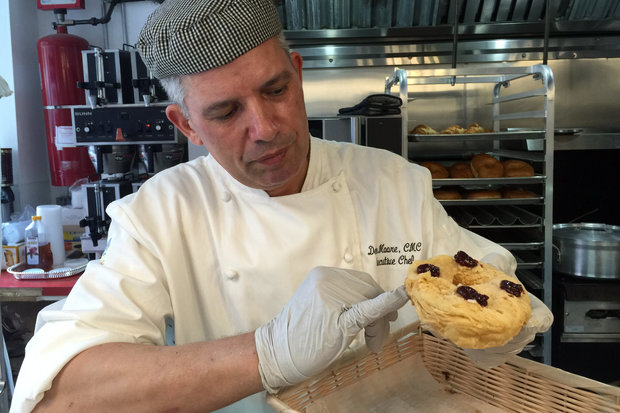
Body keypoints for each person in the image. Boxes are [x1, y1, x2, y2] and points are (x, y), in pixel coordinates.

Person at [11, 0, 552, 412]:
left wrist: (504, 320)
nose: (266, 128)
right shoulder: (160, 214)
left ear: (298, 72)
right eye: (225, 111)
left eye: (276, 89)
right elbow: (60, 394)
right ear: (186, 126)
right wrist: (266, 353)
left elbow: (477, 278)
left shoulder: (391, 181)